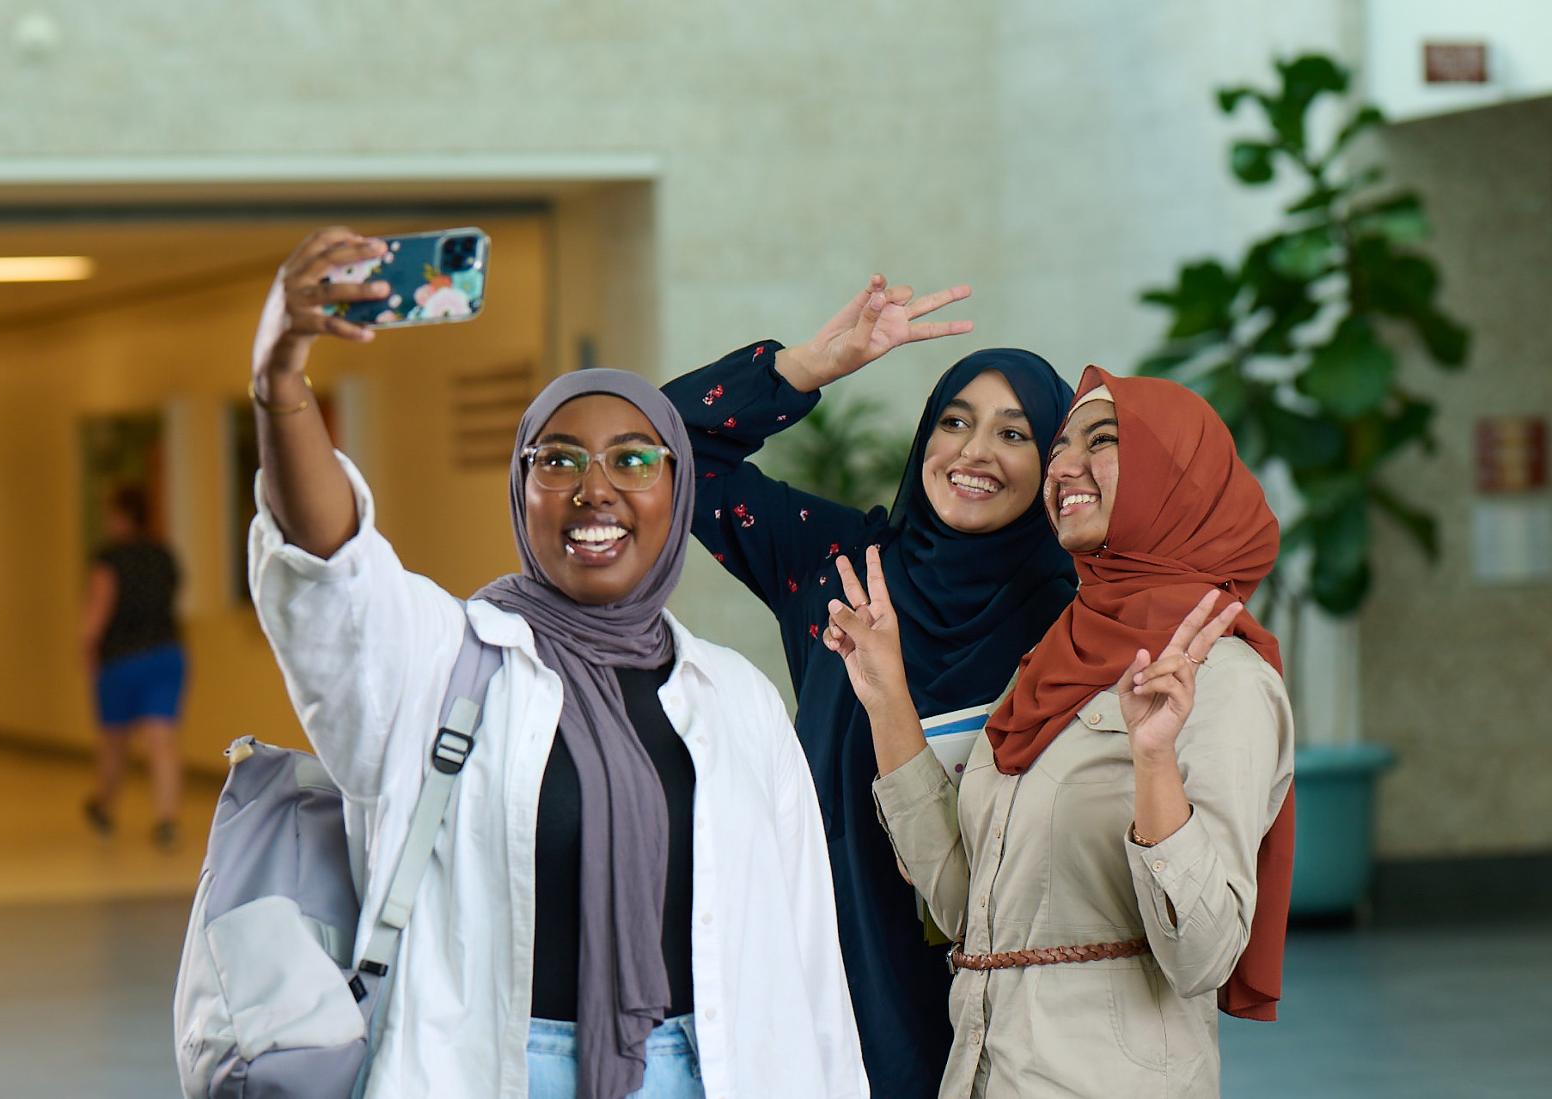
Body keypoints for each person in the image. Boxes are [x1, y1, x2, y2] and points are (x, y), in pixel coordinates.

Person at [246, 227, 868, 1099]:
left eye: (634, 461)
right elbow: (331, 569)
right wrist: (280, 384)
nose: (595, 489)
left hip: (713, 1069)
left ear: (678, 492)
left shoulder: (734, 696)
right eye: (560, 460)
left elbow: (805, 949)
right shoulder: (444, 661)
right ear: (522, 489)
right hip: (503, 1071)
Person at [824, 365, 1296, 1097]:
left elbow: (1204, 955)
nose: (1064, 465)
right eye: (1060, 445)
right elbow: (961, 906)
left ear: (1173, 476)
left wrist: (1154, 763)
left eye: (1101, 441)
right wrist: (888, 698)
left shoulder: (1222, 679)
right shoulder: (1053, 658)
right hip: (986, 1073)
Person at [660, 283, 1078, 1096]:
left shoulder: (1072, 621)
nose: (973, 451)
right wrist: (807, 367)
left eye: (1014, 432)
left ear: (1052, 463)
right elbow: (665, 451)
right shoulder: (845, 568)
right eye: (953, 421)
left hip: (1000, 1009)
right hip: (828, 979)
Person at [80, 484, 186, 848]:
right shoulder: (164, 555)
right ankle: (167, 819)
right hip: (166, 654)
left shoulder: (109, 559)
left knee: (114, 741)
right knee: (163, 740)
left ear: (121, 516)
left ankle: (104, 806)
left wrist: (88, 650)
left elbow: (98, 611)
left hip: (121, 659)